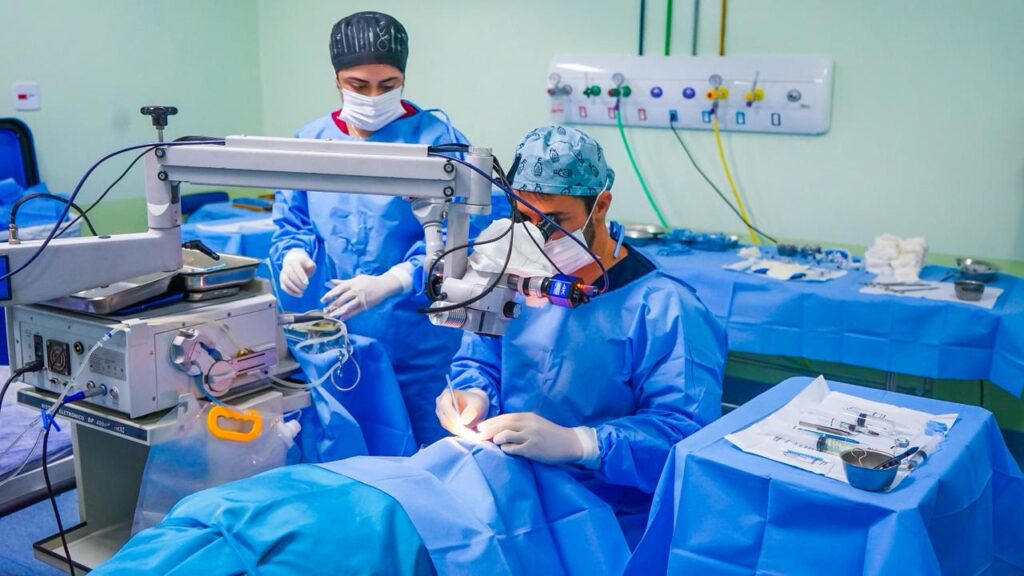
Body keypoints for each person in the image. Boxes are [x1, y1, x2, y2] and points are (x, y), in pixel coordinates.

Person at [436, 125, 727, 545]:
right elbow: (480, 360)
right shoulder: (511, 279)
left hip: (609, 520)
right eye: (523, 219)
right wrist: (473, 396)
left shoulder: (664, 308)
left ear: (601, 205)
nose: (537, 237)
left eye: (554, 222)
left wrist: (582, 444)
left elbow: (684, 433)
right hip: (511, 492)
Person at [271, 11, 472, 445]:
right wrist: (292, 252)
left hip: (416, 340)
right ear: (336, 80)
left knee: (428, 453)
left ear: (404, 79)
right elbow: (292, 220)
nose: (373, 96)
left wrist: (395, 280)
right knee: (346, 447)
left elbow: (466, 235)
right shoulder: (310, 142)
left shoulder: (440, 141)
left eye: (388, 85)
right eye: (358, 85)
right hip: (336, 337)